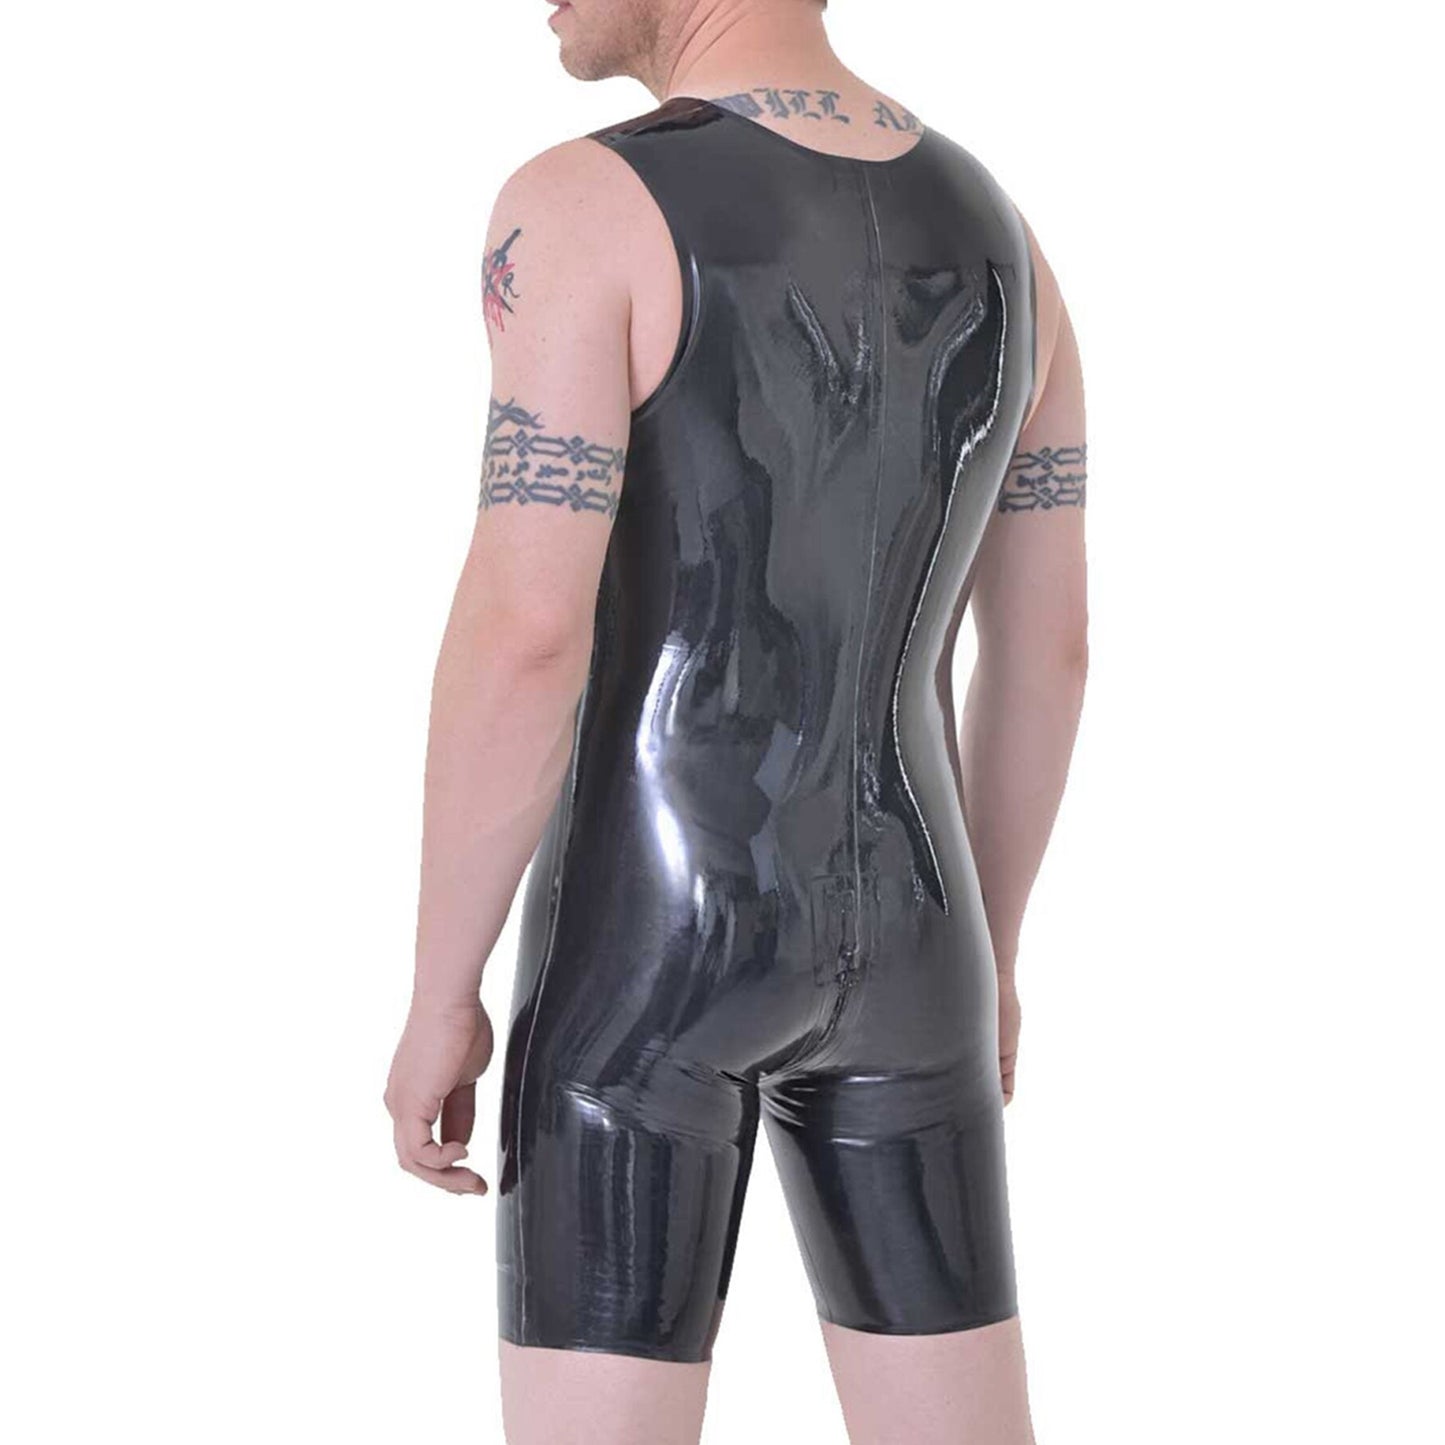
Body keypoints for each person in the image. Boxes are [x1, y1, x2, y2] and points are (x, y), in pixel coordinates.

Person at [383, 1, 1088, 1440]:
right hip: (921, 932)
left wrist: (442, 988)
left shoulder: (582, 203)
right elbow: (1047, 652)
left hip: (648, 945)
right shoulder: (1008, 239)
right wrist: (991, 959)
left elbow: (525, 634)